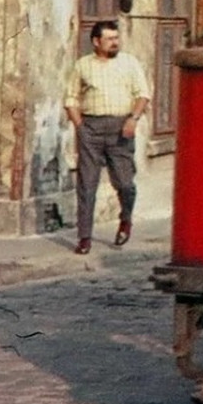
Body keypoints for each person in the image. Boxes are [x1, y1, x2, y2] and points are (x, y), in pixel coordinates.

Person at [64, 20, 152, 255]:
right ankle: (84, 237)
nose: (115, 42)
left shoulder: (129, 63)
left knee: (124, 182)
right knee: (87, 184)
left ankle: (125, 218)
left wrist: (133, 119)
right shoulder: (83, 66)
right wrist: (80, 126)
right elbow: (71, 98)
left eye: (116, 38)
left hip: (121, 126)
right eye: (110, 39)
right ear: (96, 42)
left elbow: (142, 94)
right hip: (90, 127)